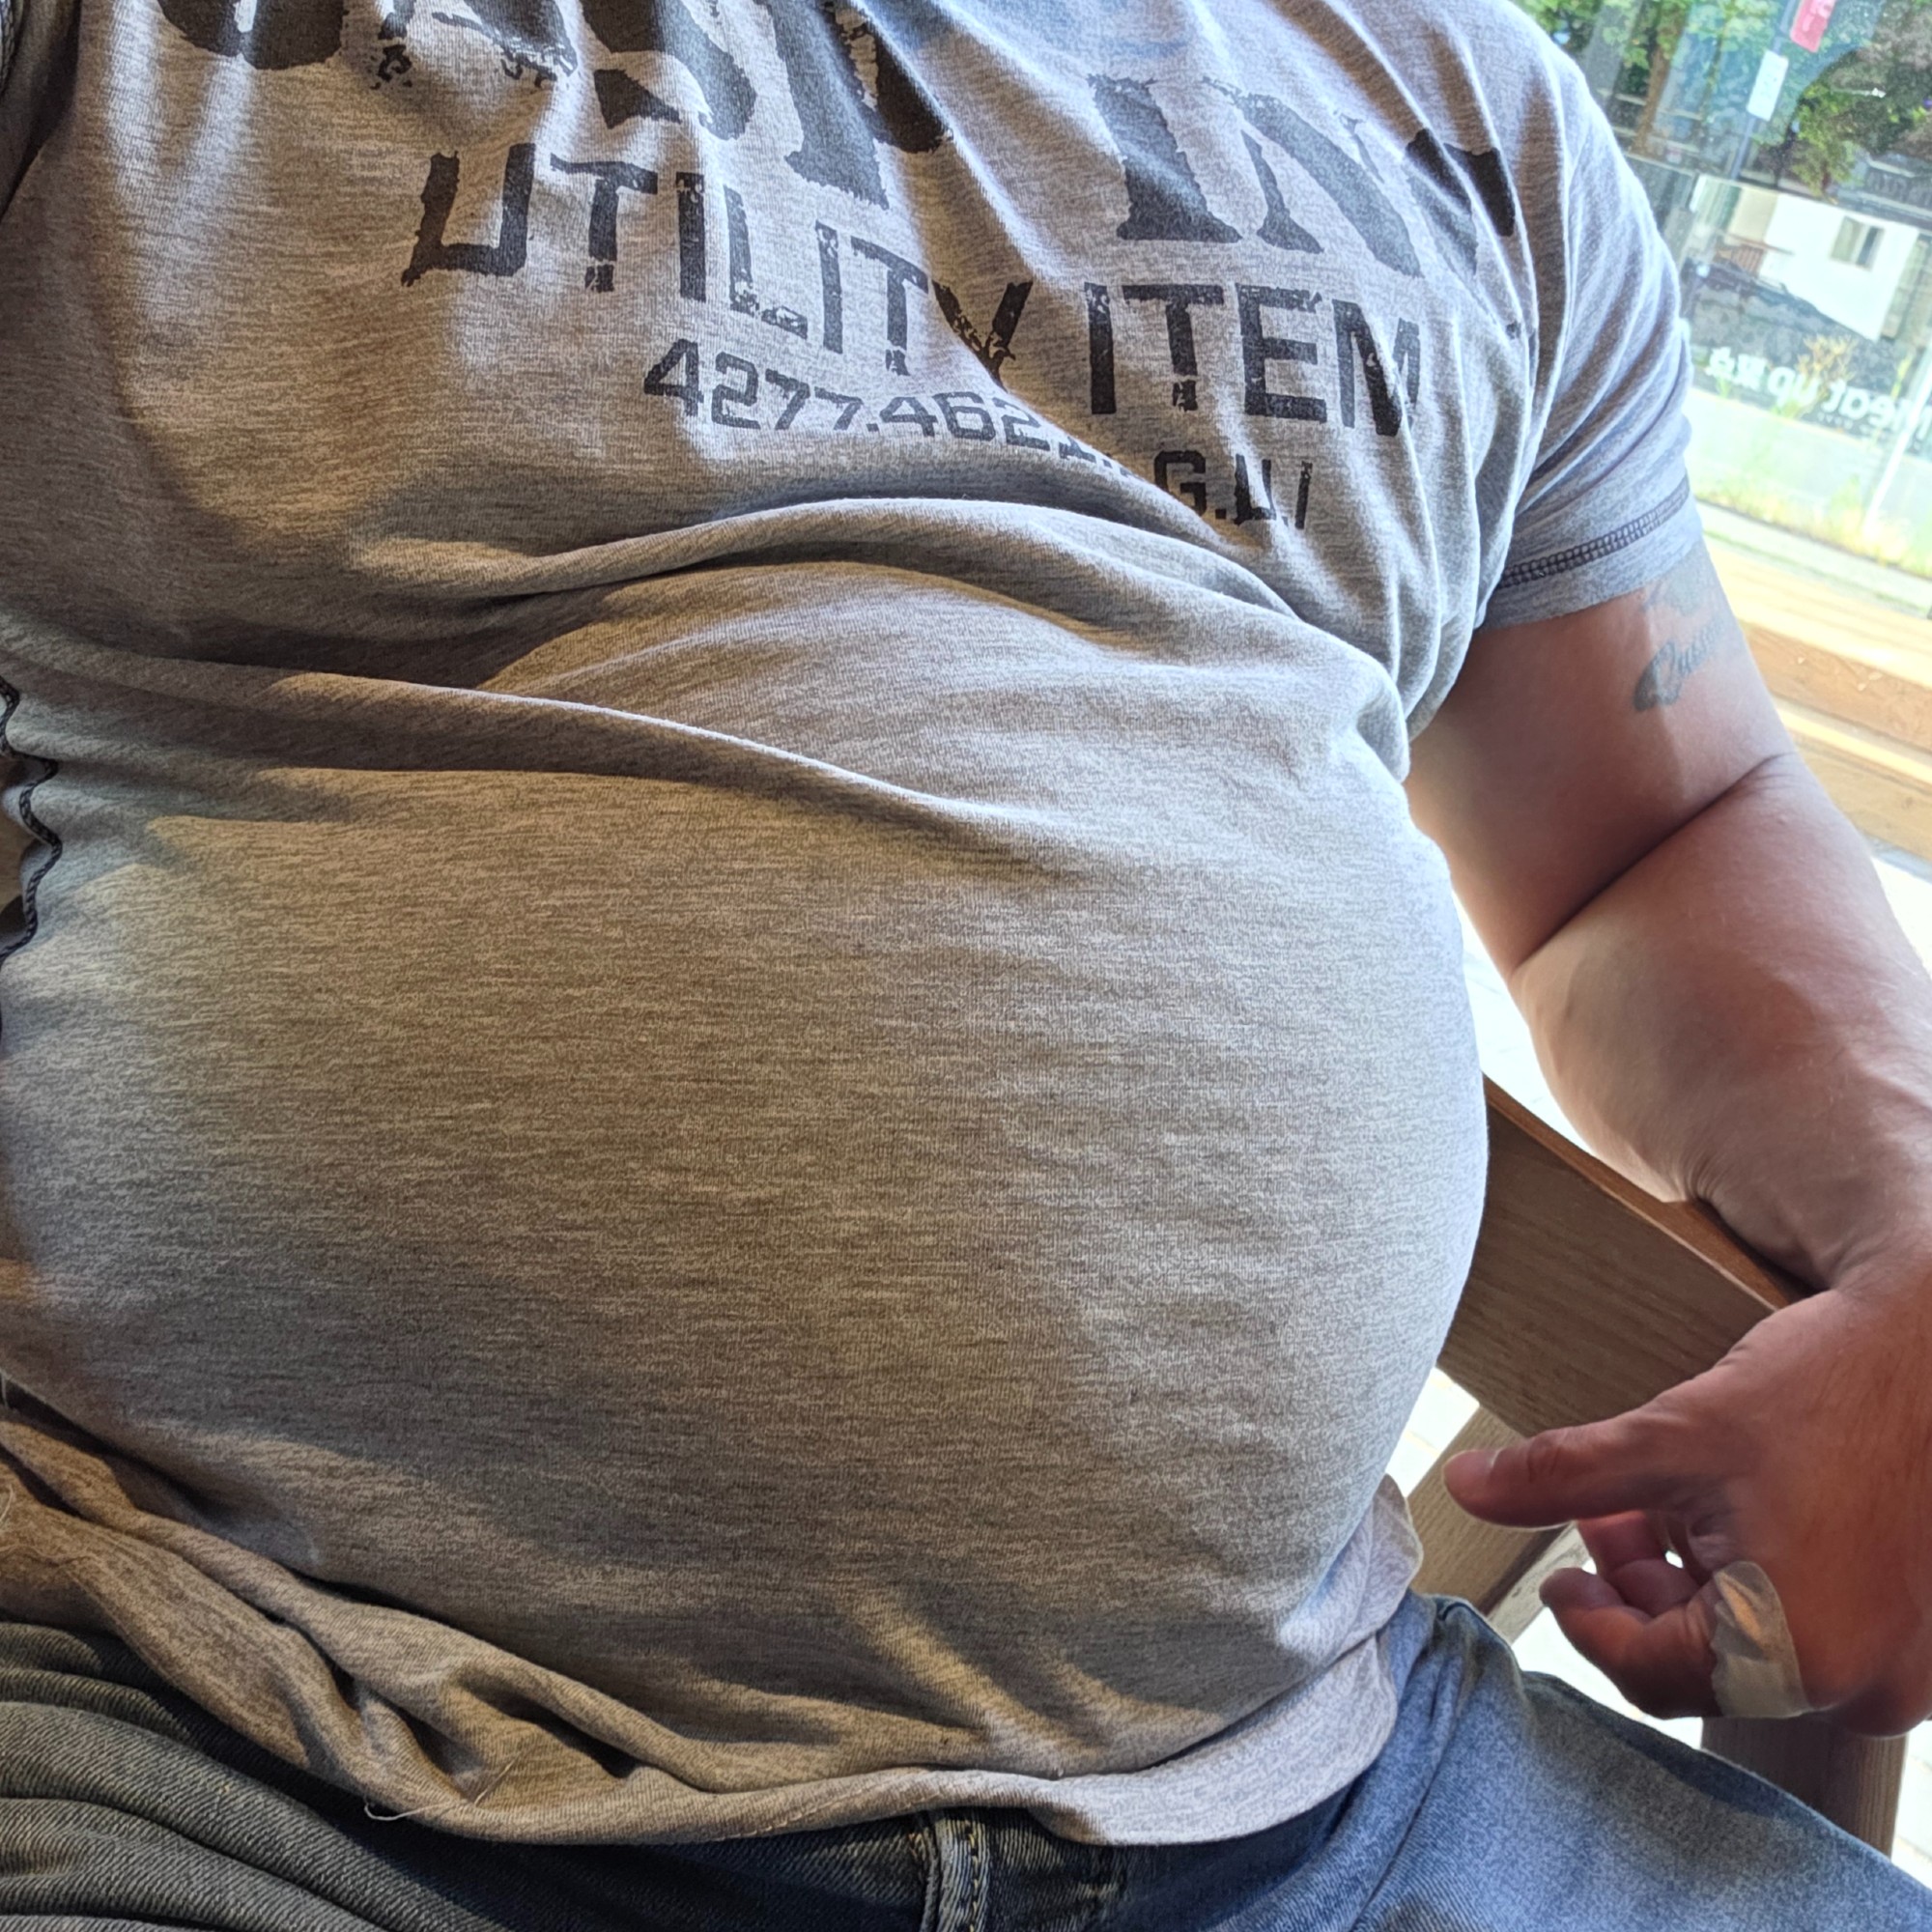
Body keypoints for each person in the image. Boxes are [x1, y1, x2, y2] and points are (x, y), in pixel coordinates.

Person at [0, 0, 1928, 1920]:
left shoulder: (1454, 106)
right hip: (237, 1744)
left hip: (1313, 1806)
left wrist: (1918, 1240)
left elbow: (1656, 837)